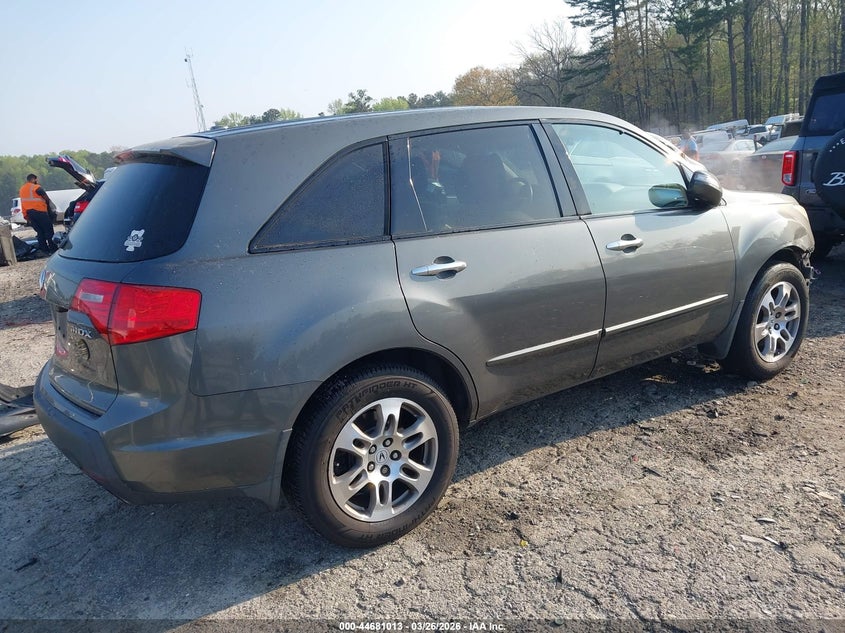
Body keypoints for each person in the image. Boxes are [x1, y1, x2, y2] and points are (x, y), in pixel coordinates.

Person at [19, 173, 57, 254]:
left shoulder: (22, 189)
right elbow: (47, 199)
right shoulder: (36, 187)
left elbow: (23, 202)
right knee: (48, 230)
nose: (37, 181)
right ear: (34, 179)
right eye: (36, 179)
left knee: (40, 232)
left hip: (30, 214)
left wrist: (26, 216)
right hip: (40, 212)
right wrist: (50, 210)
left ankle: (44, 250)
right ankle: (53, 248)